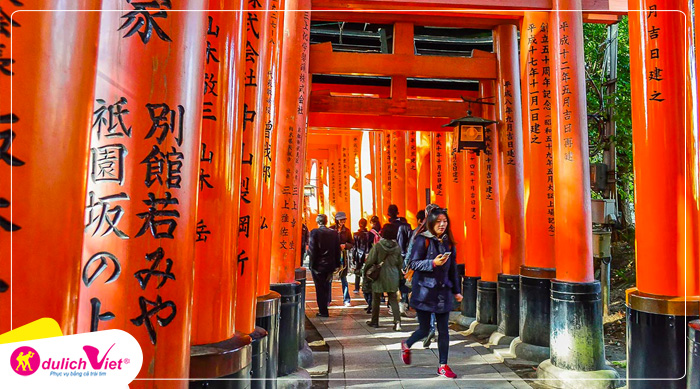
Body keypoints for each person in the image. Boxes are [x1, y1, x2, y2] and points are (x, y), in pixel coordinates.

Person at [401, 207, 463, 379]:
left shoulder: (448, 242)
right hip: (424, 292)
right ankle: (407, 344)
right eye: (439, 222)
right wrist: (433, 263)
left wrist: (457, 291)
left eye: (445, 221)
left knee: (444, 330)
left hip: (443, 292)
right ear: (431, 223)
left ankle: (443, 365)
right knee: (425, 328)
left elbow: (453, 269)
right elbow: (413, 264)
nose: (442, 225)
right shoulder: (423, 240)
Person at [363, 223, 404, 331]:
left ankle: (375, 321)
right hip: (393, 274)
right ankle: (397, 322)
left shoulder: (378, 246)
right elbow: (400, 263)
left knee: (376, 298)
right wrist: (400, 276)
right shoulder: (397, 247)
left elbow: (370, 261)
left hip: (379, 274)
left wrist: (365, 272)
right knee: (393, 298)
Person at [308, 214, 340, 318]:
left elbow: (312, 250)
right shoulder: (334, 233)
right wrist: (337, 264)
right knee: (327, 286)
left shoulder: (314, 232)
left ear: (318, 222)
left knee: (320, 288)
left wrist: (311, 264)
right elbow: (337, 249)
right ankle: (325, 306)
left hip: (318, 265)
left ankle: (323, 310)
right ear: (326, 221)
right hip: (330, 264)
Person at [330, 211, 354, 307]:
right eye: (341, 220)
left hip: (343, 257)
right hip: (332, 256)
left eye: (344, 220)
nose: (342, 222)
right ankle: (328, 299)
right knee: (329, 279)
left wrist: (346, 245)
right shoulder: (331, 230)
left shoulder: (347, 231)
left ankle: (346, 299)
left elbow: (352, 243)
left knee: (344, 278)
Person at [363, 216, 382, 313]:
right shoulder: (381, 231)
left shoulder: (370, 233)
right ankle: (378, 299)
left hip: (372, 259)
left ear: (371, 222)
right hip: (380, 259)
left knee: (368, 280)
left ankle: (370, 303)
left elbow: (367, 247)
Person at [352, 218, 372, 295]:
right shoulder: (369, 234)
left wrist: (353, 256)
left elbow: (355, 247)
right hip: (367, 254)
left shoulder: (356, 234)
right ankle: (366, 286)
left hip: (358, 255)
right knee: (367, 271)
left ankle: (357, 288)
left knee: (358, 271)